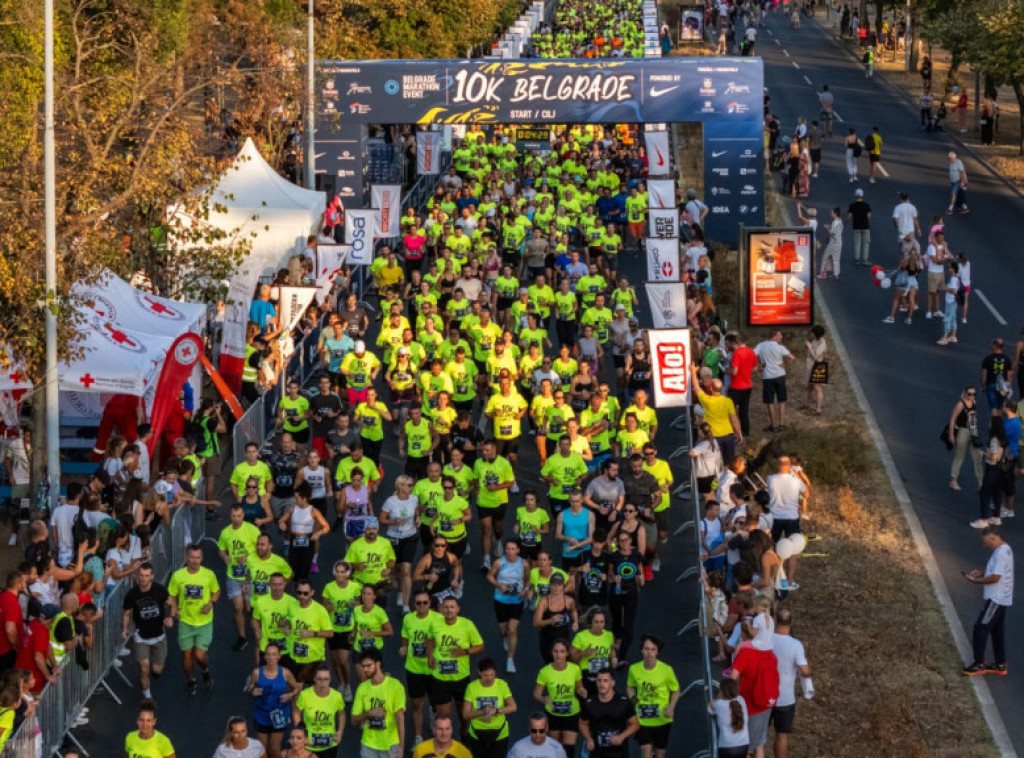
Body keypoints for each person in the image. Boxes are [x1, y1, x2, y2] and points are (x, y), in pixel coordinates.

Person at [167, 544, 220, 696]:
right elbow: (171, 596)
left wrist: (211, 603)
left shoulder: (209, 575)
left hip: (204, 622)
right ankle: (191, 680)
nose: (195, 561)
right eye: (192, 557)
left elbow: (216, 592)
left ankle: (205, 670)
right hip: (185, 622)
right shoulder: (178, 576)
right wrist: (174, 610)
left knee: (199, 655)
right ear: (186, 557)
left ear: (202, 558)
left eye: (198, 557)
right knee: (187, 655)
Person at [963, 526, 1013, 676]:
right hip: (1003, 598)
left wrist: (975, 581)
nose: (985, 546)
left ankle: (979, 663)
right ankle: (1000, 664)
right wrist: (980, 573)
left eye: (986, 543)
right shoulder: (1005, 549)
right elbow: (995, 570)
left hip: (996, 599)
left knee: (980, 628)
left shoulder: (1001, 554)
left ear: (994, 538)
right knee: (997, 631)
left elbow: (995, 578)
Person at [121, 562, 172, 699]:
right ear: (138, 576)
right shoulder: (132, 594)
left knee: (157, 670)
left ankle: (154, 669)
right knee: (144, 668)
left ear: (152, 576)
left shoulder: (159, 590)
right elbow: (126, 613)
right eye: (141, 575)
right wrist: (124, 629)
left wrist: (170, 617)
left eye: (146, 576)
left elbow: (171, 603)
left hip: (159, 636)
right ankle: (148, 697)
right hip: (141, 637)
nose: (143, 579)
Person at [626, 636, 680, 758]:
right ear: (642, 650)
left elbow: (676, 690)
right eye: (646, 649)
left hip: (662, 718)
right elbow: (630, 687)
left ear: (657, 652)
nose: (649, 653)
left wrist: (671, 707)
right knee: (646, 751)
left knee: (660, 753)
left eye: (653, 649)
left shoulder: (666, 670)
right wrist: (635, 702)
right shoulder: (634, 669)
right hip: (643, 718)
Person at [218, 504, 262, 652]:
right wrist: (224, 557)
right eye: (233, 516)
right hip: (233, 574)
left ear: (243, 515)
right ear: (230, 516)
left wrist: (248, 557)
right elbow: (221, 549)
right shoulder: (225, 532)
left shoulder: (252, 530)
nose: (236, 519)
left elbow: (261, 548)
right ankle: (242, 637)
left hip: (250, 575)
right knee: (238, 607)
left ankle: (260, 631)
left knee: (250, 607)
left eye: (239, 516)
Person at [771, 608, 812, 758]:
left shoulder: (767, 639)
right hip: (785, 698)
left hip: (763, 694)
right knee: (782, 736)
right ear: (791, 623)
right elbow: (805, 671)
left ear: (776, 621)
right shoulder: (796, 645)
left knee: (758, 737)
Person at [249, 643, 301, 758]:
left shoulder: (285, 673)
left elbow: (297, 687)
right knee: (262, 750)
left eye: (274, 654)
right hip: (262, 714)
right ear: (264, 656)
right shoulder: (257, 673)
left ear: (279, 656)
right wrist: (253, 690)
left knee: (274, 749)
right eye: (268, 654)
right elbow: (249, 687)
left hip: (279, 714)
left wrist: (290, 695)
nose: (271, 657)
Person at [352, 648, 406, 758]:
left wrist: (401, 746)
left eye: (369, 665)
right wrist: (368, 714)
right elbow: (354, 720)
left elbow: (400, 718)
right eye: (363, 666)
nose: (365, 669)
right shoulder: (362, 688)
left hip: (391, 743)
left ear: (378, 664)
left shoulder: (395, 686)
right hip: (368, 744)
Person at [461, 657, 517, 758]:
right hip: (477, 733)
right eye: (486, 675)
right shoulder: (472, 687)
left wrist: (497, 710)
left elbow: (513, 706)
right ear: (479, 673)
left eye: (492, 675)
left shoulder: (502, 685)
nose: (489, 678)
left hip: (500, 733)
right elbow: (465, 714)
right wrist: (483, 712)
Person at [578, 668, 639, 758]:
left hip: (619, 753)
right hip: (597, 753)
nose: (602, 684)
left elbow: (635, 724)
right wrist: (588, 738)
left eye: (605, 681)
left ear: (612, 683)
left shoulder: (623, 702)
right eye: (599, 680)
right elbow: (583, 723)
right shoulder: (589, 703)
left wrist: (621, 736)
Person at [292, 663, 346, 756]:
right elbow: (296, 713)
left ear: (330, 679)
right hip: (309, 744)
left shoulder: (336, 696)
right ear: (314, 679)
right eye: (319, 679)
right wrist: (300, 733)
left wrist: (340, 731)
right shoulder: (305, 695)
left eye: (326, 679)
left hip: (329, 744)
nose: (322, 682)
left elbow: (341, 714)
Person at [754, 330, 794, 432]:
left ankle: (773, 425)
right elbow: (792, 357)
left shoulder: (761, 345)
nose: (781, 337)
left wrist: (758, 366)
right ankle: (781, 424)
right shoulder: (780, 347)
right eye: (780, 335)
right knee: (782, 400)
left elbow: (751, 355)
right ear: (775, 336)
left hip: (767, 376)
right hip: (780, 375)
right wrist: (785, 364)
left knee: (770, 401)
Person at [709, 679, 749, 758]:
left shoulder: (719, 704)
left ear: (722, 692)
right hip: (744, 744)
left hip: (726, 746)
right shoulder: (741, 700)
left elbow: (710, 710)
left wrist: (713, 702)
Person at [804, 325, 827, 416]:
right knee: (809, 387)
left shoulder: (822, 343)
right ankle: (808, 405)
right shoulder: (815, 340)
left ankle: (818, 410)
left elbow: (816, 357)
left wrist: (810, 347)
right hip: (810, 366)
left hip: (818, 366)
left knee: (818, 388)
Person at [817, 207, 843, 280]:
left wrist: (827, 228)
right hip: (839, 242)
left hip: (833, 243)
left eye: (832, 212)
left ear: (835, 213)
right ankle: (836, 274)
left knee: (825, 257)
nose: (830, 213)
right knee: (836, 259)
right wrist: (830, 226)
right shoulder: (840, 221)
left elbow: (832, 234)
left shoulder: (835, 223)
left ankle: (823, 274)